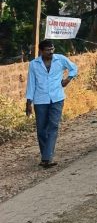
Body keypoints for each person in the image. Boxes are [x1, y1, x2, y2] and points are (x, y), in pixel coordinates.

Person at [25, 39, 79, 168]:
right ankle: (46, 155)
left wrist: (68, 79)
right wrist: (28, 102)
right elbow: (31, 83)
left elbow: (74, 68)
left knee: (53, 126)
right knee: (41, 130)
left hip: (57, 98)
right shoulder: (34, 64)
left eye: (52, 49)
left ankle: (47, 158)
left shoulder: (60, 59)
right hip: (40, 100)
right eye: (47, 50)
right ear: (41, 51)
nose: (51, 52)